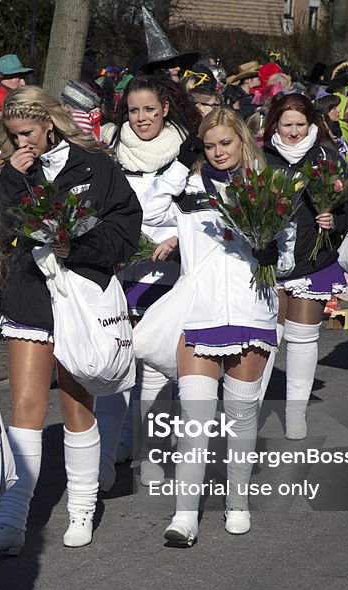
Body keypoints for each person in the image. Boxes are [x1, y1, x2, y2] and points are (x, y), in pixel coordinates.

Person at [0, 86, 140, 554]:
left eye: (26, 132)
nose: (20, 141)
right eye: (12, 135)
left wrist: (77, 248)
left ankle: (82, 508)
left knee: (75, 406)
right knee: (24, 408)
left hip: (79, 294)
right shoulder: (8, 172)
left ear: (49, 124)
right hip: (29, 295)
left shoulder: (96, 166)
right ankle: (10, 523)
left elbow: (126, 229)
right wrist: (6, 181)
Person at [141, 108, 294, 544]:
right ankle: (185, 515)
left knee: (242, 417)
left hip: (251, 313)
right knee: (195, 418)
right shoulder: (189, 187)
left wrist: (272, 257)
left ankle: (237, 500)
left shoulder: (267, 187)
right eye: (208, 146)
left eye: (225, 143)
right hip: (199, 316)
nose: (217, 152)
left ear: (242, 142)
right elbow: (150, 210)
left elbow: (287, 252)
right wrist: (180, 161)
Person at [96, 75, 188, 489]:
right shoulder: (112, 151)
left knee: (152, 356)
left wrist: (177, 238)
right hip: (121, 264)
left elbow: (201, 211)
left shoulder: (186, 152)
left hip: (167, 265)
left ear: (165, 108)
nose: (142, 118)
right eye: (134, 110)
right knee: (121, 355)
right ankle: (115, 444)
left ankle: (150, 446)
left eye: (149, 109)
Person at [260, 94, 348, 440]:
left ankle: (296, 414)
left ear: (312, 125)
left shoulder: (326, 157)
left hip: (314, 259)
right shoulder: (260, 156)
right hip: (268, 262)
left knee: (302, 339)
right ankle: (249, 409)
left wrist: (335, 218)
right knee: (265, 339)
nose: (292, 132)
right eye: (286, 124)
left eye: (299, 125)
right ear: (274, 123)